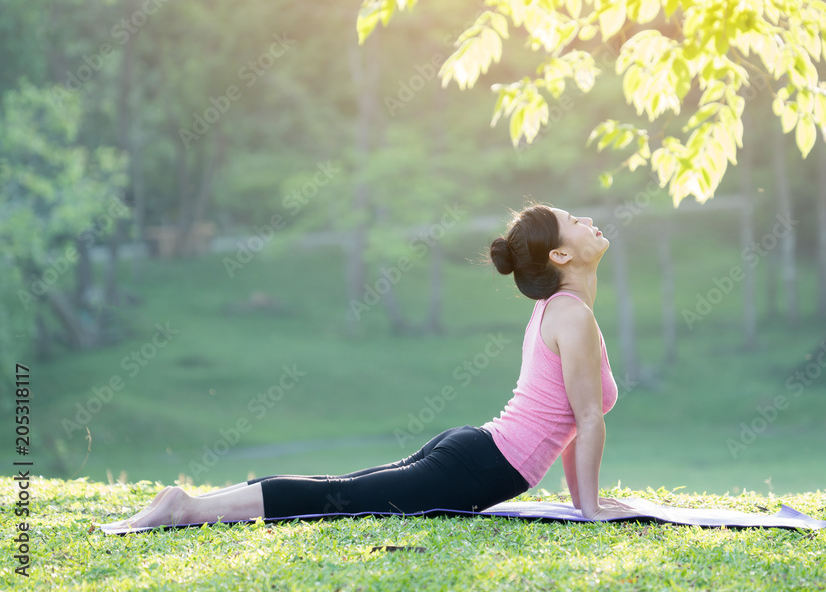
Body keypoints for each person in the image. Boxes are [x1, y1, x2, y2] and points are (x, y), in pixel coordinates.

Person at [104, 204, 641, 530]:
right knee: (341, 499)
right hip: (478, 465)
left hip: (476, 452)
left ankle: (191, 503)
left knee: (342, 490)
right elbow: (588, 419)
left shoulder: (565, 312)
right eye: (575, 221)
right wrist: (589, 510)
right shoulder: (571, 315)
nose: (588, 221)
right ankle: (187, 508)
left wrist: (583, 502)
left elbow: (573, 422)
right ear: (561, 257)